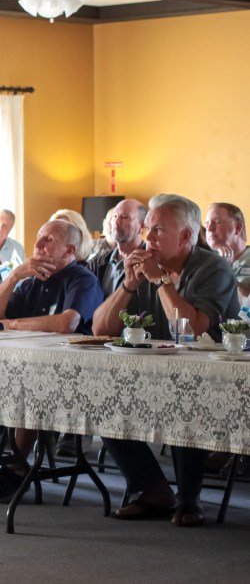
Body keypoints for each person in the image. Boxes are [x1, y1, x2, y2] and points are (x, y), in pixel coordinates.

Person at [91, 194, 240, 527]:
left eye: (157, 231)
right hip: (150, 370)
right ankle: (152, 489)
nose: (147, 239)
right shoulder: (140, 266)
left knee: (185, 393)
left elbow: (192, 329)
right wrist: (129, 285)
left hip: (211, 377)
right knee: (101, 394)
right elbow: (101, 329)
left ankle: (190, 498)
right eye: (147, 230)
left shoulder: (212, 267)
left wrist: (160, 280)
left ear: (185, 237)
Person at [0, 219, 103, 503]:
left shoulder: (81, 278)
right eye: (38, 237)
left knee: (32, 379)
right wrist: (14, 278)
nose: (38, 245)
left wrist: (11, 324)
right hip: (20, 363)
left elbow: (66, 323)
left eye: (48, 239)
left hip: (69, 373)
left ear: (69, 250)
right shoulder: (32, 281)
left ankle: (17, 464)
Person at [87, 198, 147, 295]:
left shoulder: (150, 264)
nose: (116, 222)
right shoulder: (98, 263)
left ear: (141, 226)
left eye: (124, 217)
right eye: (114, 216)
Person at [205, 202, 250, 283]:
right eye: (206, 224)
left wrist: (225, 271)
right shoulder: (205, 263)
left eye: (217, 221)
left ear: (238, 227)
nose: (209, 228)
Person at [0, 208, 26, 276]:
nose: (0, 228)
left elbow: (24, 275)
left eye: (4, 225)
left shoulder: (18, 248)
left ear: (10, 229)